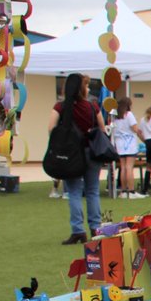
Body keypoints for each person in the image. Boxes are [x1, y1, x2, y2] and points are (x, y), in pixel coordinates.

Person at [49, 73, 108, 243]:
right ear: (83, 89)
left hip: (71, 154)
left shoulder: (60, 107)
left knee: (74, 192)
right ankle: (96, 228)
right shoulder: (92, 107)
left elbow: (51, 129)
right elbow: (102, 130)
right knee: (92, 191)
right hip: (91, 152)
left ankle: (78, 230)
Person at [111, 97, 144, 198]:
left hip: (119, 143)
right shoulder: (129, 114)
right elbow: (134, 128)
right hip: (129, 142)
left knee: (123, 167)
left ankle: (123, 191)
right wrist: (140, 133)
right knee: (129, 167)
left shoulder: (115, 116)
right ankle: (132, 191)